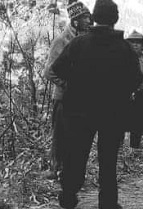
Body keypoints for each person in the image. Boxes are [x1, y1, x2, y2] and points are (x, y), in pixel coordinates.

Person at [50, 0, 142, 209]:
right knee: (108, 156)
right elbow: (136, 79)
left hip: (78, 108)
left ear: (95, 17)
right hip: (113, 111)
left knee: (76, 152)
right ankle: (108, 202)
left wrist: (76, 82)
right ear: (115, 19)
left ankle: (68, 197)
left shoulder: (78, 43)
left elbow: (57, 69)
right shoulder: (124, 48)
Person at [43, 1, 92, 181]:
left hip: (83, 100)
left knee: (79, 137)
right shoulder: (61, 41)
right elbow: (49, 71)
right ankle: (55, 170)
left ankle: (73, 173)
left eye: (89, 17)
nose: (89, 21)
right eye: (85, 18)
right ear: (75, 21)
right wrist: (67, 85)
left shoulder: (88, 40)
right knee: (60, 137)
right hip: (63, 98)